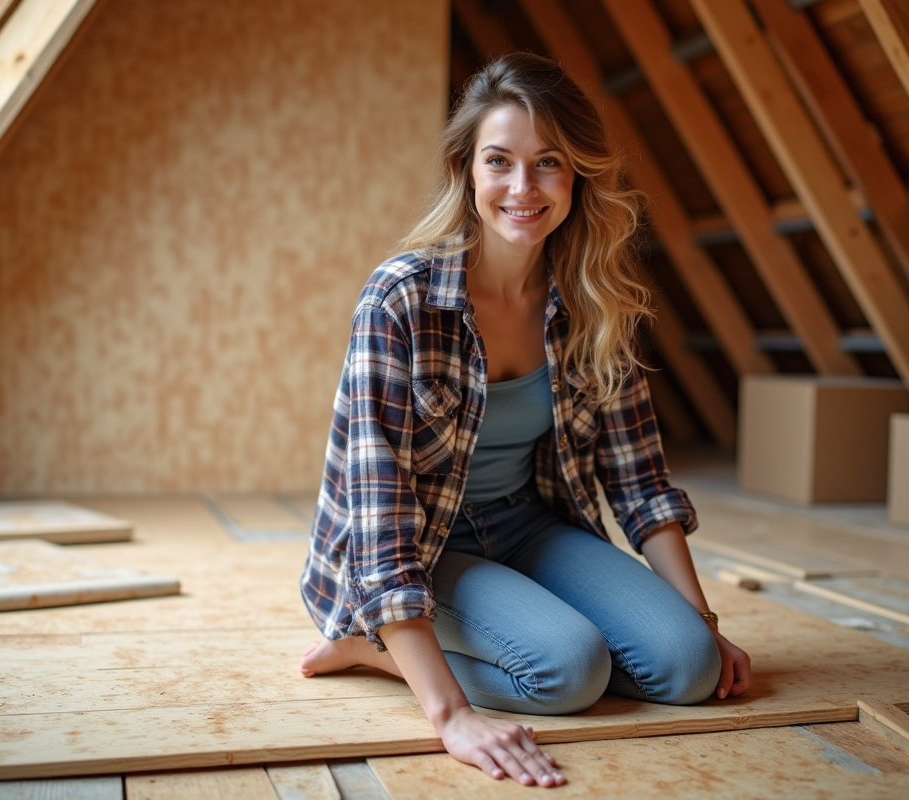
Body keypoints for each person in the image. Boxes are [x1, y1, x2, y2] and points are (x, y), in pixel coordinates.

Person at [299, 52, 751, 788]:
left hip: (527, 524)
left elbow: (640, 479)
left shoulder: (593, 298)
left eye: (548, 163)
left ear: (577, 174)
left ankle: (473, 635)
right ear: (467, 172)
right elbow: (377, 513)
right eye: (499, 161)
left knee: (688, 666)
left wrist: (705, 623)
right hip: (418, 544)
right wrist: (450, 718)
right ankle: (373, 649)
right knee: (569, 673)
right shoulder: (400, 299)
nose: (522, 187)